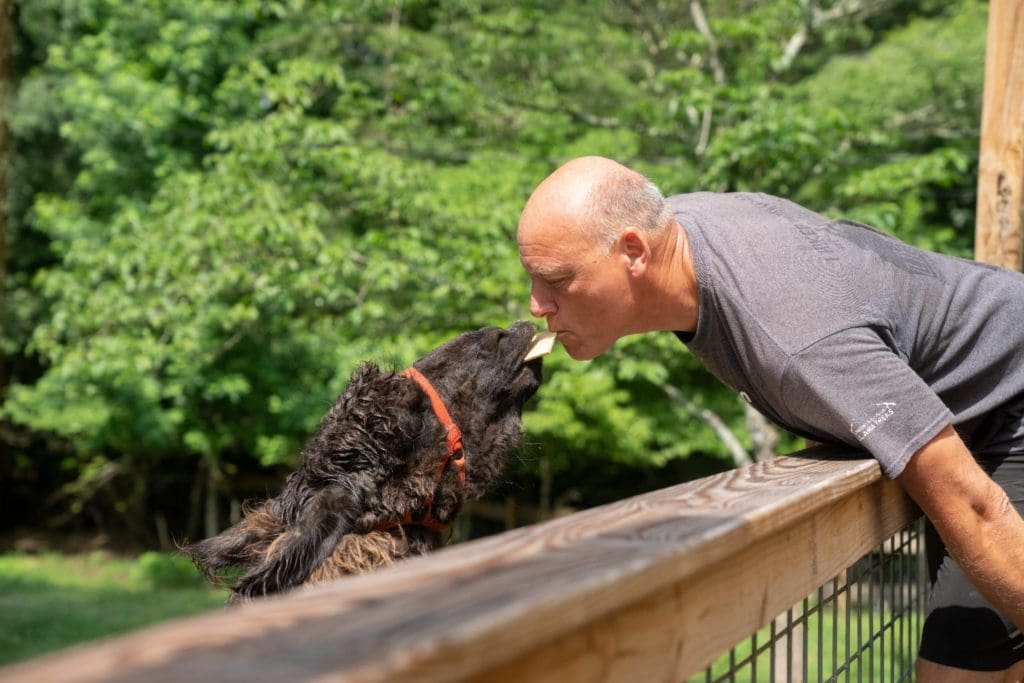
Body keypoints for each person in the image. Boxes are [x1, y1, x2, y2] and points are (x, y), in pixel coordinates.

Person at [517, 155, 1024, 681]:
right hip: (977, 406)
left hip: (1013, 401)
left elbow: (976, 507)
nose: (536, 305)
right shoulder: (683, 235)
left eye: (555, 279)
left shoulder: (799, 339)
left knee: (952, 674)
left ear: (633, 251)